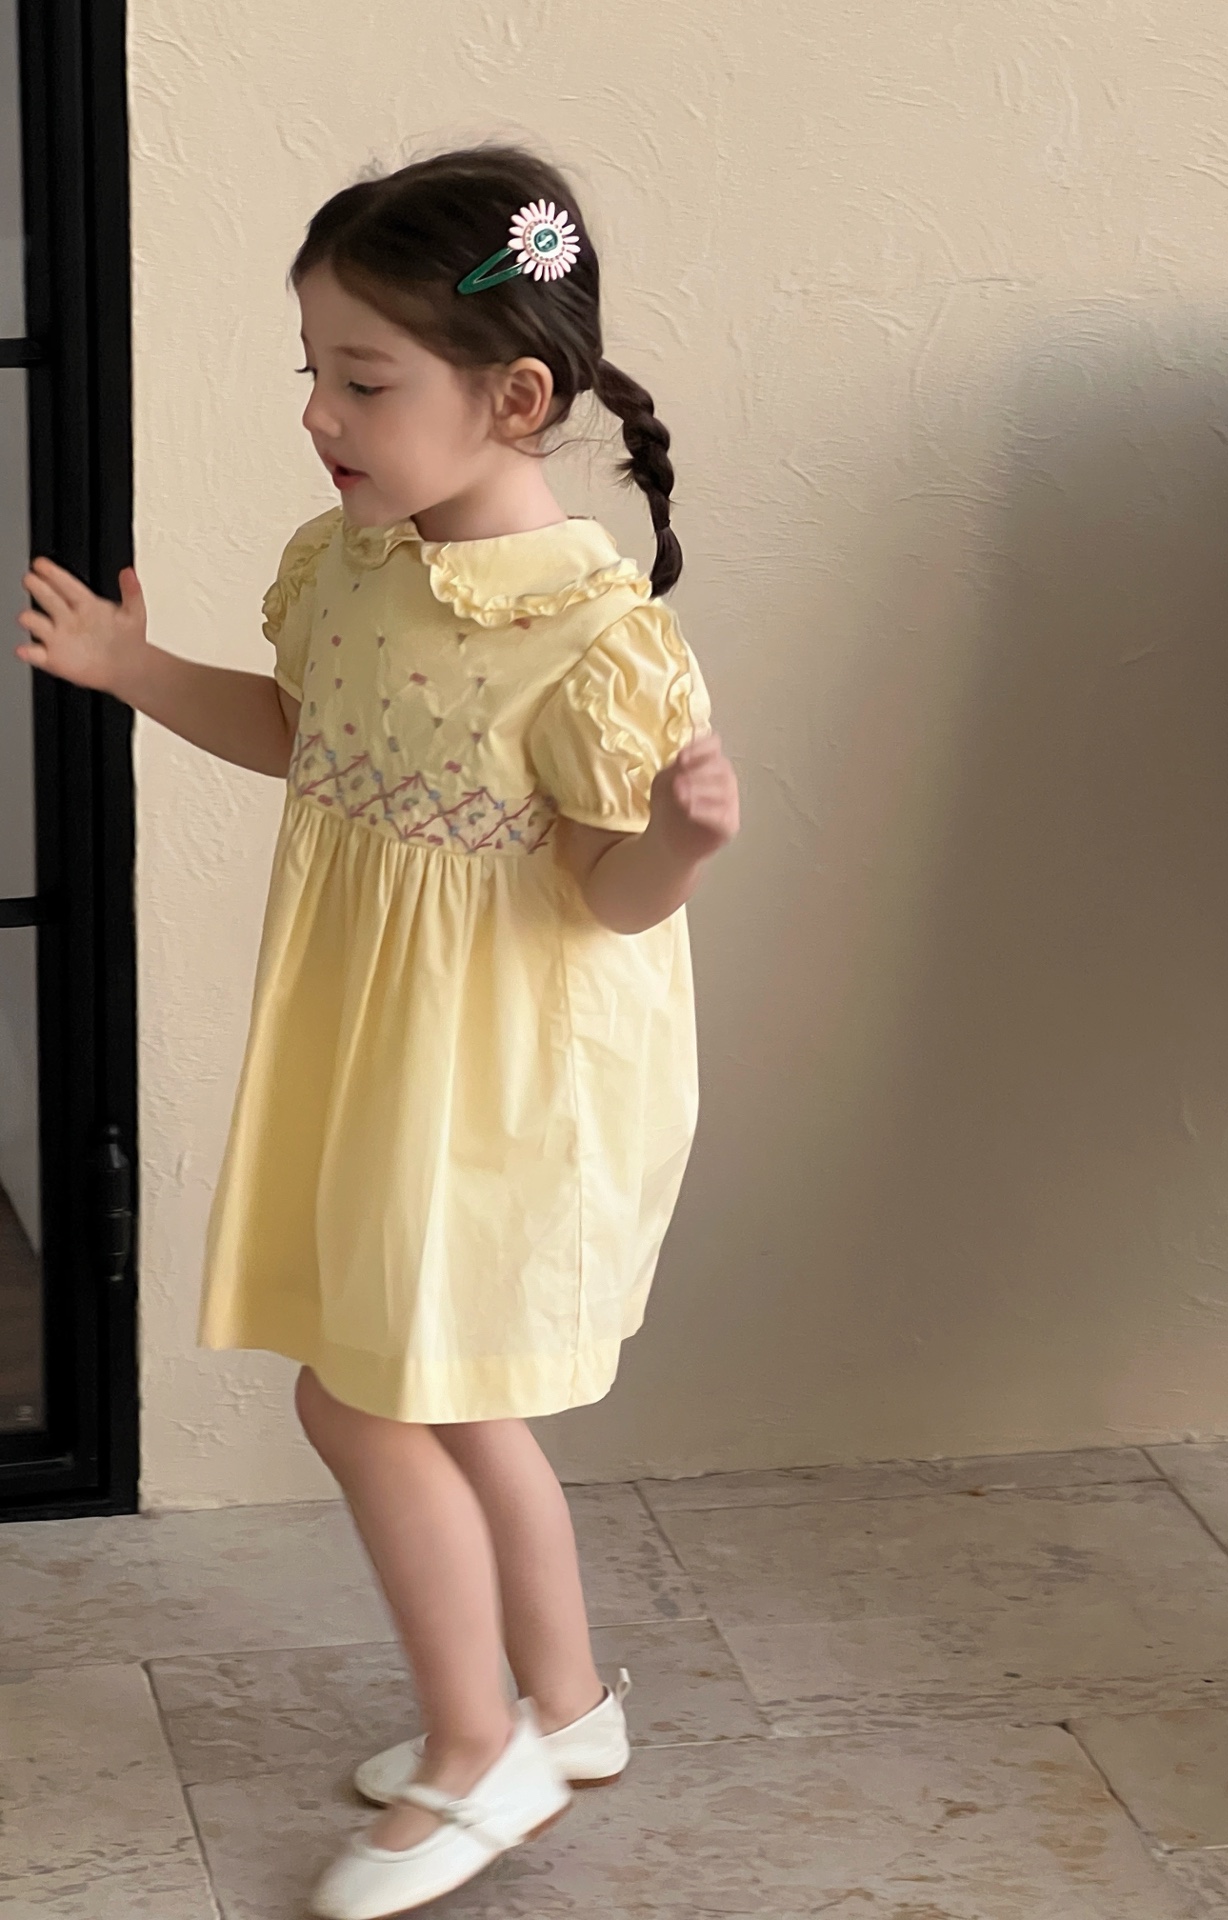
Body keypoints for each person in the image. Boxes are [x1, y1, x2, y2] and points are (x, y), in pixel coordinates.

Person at [16, 143, 740, 1920]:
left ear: (516, 398)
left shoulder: (586, 634)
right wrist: (134, 670)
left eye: (364, 382)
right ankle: (568, 1707)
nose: (320, 418)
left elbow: (610, 898)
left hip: (503, 1085)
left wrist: (676, 843)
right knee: (454, 1396)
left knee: (363, 1398)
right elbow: (305, 735)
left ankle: (475, 1742)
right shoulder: (353, 566)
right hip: (380, 1051)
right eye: (313, 375)